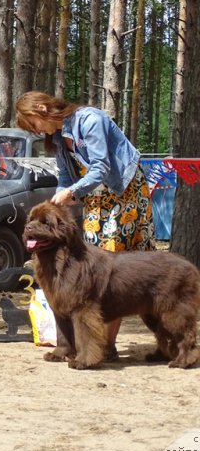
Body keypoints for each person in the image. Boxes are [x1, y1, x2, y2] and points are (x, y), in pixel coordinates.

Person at [15, 91, 155, 359]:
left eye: (33, 124)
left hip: (124, 193)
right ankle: (91, 343)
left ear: (42, 108)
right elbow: (66, 175)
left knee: (114, 267)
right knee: (94, 266)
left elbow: (101, 168)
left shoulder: (89, 120)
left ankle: (105, 345)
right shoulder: (57, 138)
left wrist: (71, 192)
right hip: (96, 198)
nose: (35, 131)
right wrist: (56, 201)